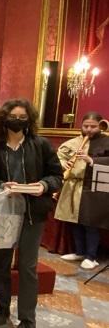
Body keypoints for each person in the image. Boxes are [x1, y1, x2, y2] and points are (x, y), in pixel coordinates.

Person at [0, 99, 62, 328]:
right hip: (6, 210)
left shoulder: (40, 144)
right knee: (2, 263)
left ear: (29, 120)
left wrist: (43, 185)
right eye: (13, 116)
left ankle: (27, 318)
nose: (17, 120)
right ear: (4, 119)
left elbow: (56, 175)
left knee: (27, 266)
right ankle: (2, 306)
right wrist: (2, 185)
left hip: (33, 212)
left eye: (22, 116)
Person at [57, 112, 109, 269]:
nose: (89, 129)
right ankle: (79, 252)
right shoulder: (75, 142)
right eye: (86, 126)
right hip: (74, 186)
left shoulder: (106, 141)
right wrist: (63, 163)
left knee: (90, 223)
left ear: (100, 126)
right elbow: (59, 155)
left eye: (93, 126)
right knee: (75, 221)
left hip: (94, 187)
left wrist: (91, 160)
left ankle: (91, 256)